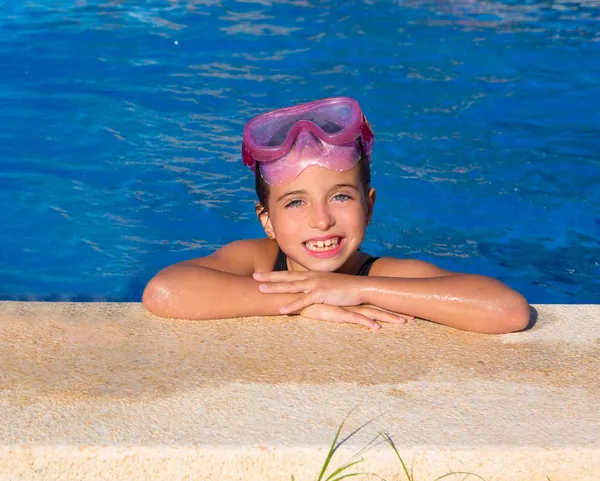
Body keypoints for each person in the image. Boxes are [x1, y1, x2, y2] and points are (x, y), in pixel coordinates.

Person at [142, 97, 530, 333]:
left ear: (370, 206)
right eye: (295, 202)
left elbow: (507, 310)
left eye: (341, 197)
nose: (321, 220)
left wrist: (357, 290)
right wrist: (307, 302)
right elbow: (165, 290)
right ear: (267, 220)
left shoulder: (380, 276)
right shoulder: (258, 259)